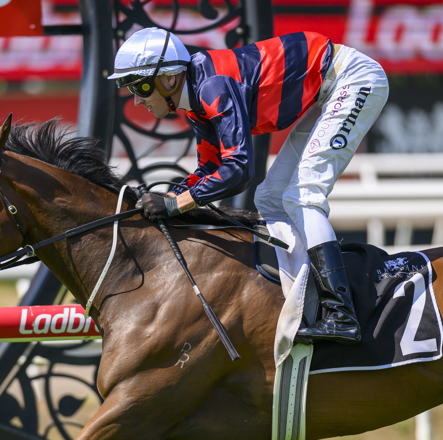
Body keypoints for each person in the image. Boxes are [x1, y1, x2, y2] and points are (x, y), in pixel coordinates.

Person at [109, 27, 389, 345]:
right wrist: (171, 195)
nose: (137, 99)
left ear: (170, 79)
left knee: (303, 196)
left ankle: (341, 314)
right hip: (328, 87)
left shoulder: (213, 86)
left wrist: (176, 204)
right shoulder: (195, 99)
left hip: (352, 78)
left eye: (141, 86)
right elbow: (210, 168)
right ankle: (304, 298)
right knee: (269, 197)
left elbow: (238, 169)